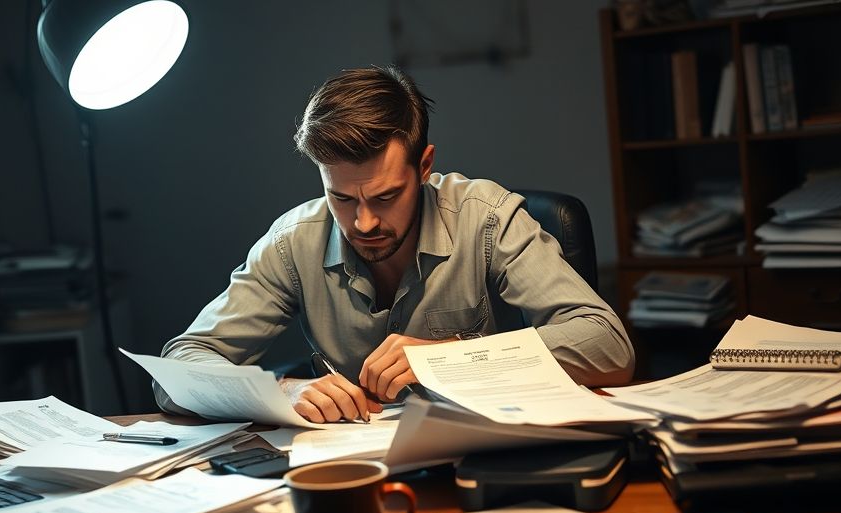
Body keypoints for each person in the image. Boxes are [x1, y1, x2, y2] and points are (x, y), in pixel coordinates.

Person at [154, 66, 634, 423]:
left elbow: (608, 347)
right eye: (340, 197)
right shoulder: (292, 242)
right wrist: (284, 391)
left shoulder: (487, 218)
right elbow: (177, 371)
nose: (362, 222)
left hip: (484, 456)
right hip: (353, 472)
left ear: (424, 167)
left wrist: (445, 359)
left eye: (385, 196)